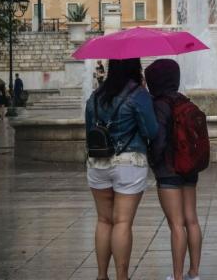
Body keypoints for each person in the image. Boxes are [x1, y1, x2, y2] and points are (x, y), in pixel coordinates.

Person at [84, 58, 158, 280]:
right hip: (129, 162)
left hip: (98, 162)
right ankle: (122, 277)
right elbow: (151, 131)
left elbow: (89, 131)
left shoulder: (95, 96)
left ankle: (101, 275)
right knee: (122, 222)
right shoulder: (138, 94)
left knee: (103, 220)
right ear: (135, 67)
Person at [144, 59, 202, 280]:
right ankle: (194, 273)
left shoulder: (160, 104)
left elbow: (158, 140)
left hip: (168, 170)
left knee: (176, 224)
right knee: (192, 220)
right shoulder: (185, 101)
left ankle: (177, 276)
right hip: (189, 167)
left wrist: (153, 161)